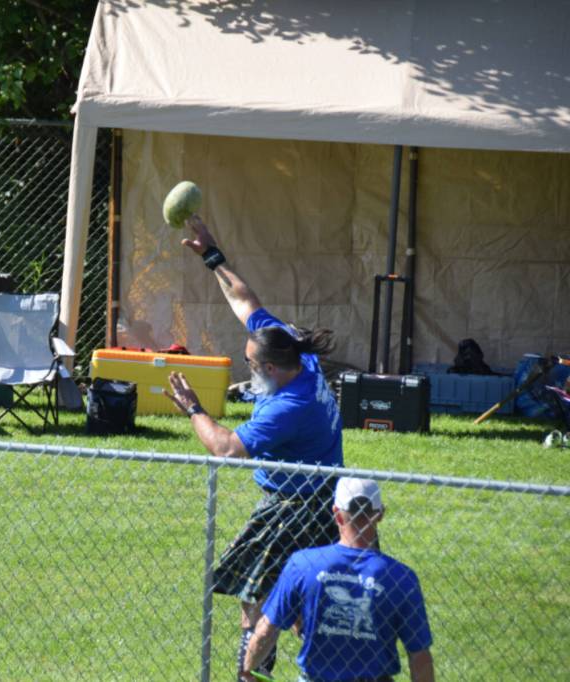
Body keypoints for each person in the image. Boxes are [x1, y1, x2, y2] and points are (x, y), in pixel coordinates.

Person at [163, 216, 343, 681]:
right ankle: (306, 670)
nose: (248, 367)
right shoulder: (293, 349)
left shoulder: (288, 406)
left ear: (270, 367)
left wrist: (192, 408)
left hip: (296, 505)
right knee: (304, 598)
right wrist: (212, 256)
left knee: (255, 591)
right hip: (323, 497)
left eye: (250, 363)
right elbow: (245, 301)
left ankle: (253, 673)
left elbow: (226, 448)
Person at [241, 477, 435, 682]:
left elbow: (265, 631)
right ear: (379, 515)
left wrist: (247, 669)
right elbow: (419, 655)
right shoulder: (401, 578)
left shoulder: (302, 565)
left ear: (336, 514)